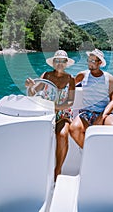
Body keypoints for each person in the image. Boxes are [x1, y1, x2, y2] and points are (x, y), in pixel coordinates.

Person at [25, 50, 75, 180]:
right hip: (45, 113)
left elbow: (70, 102)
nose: (59, 63)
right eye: (57, 61)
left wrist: (55, 108)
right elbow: (32, 94)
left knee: (63, 135)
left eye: (62, 61)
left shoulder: (71, 79)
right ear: (53, 63)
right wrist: (30, 87)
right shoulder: (46, 75)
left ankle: (57, 170)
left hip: (62, 114)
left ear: (66, 63)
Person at [70, 49, 113, 148]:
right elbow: (69, 87)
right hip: (86, 112)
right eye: (89, 60)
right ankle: (90, 151)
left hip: (104, 112)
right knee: (73, 129)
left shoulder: (109, 78)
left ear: (100, 62)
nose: (90, 63)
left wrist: (102, 116)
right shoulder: (82, 75)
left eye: (93, 61)